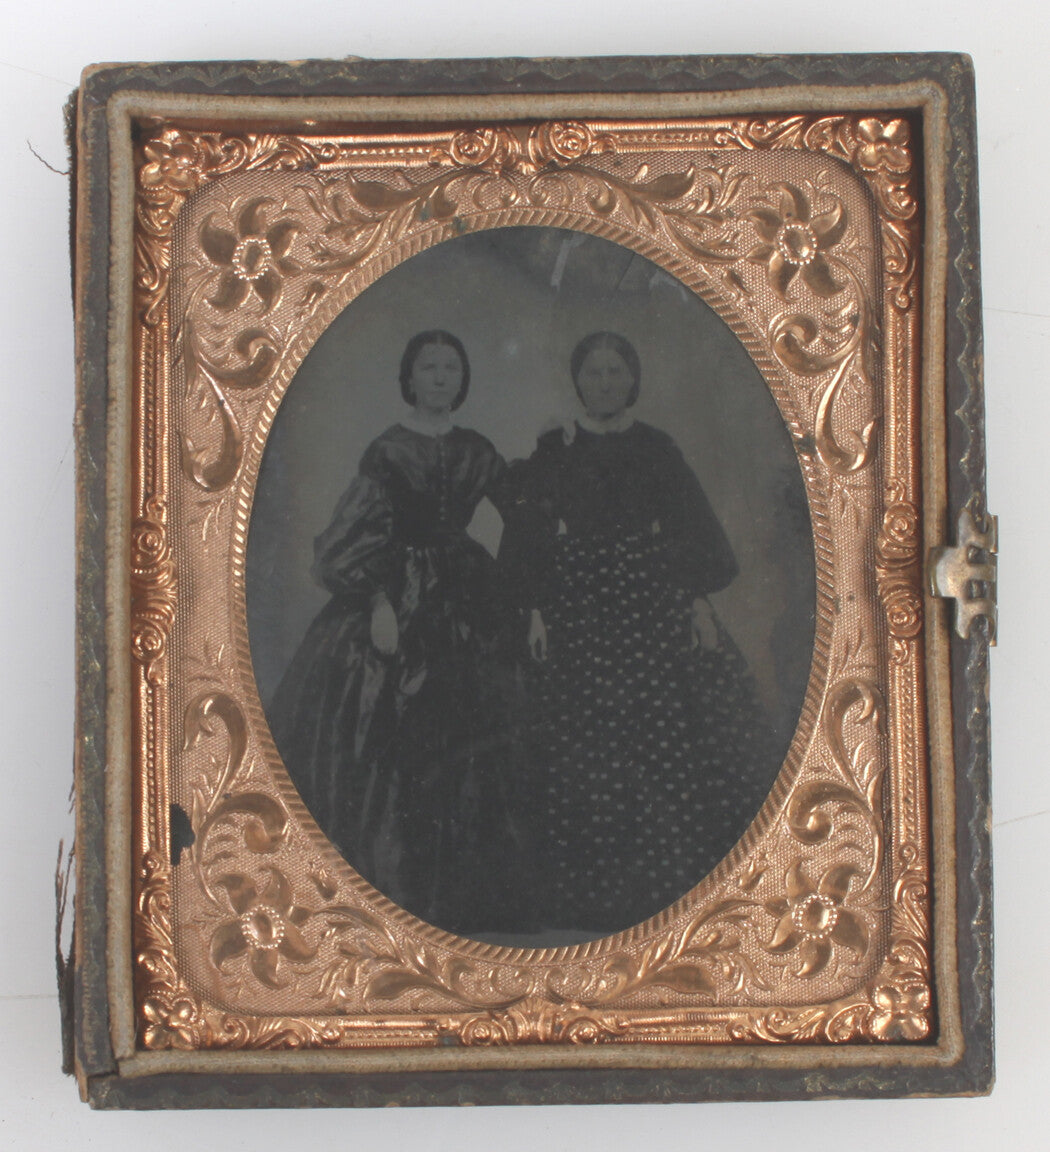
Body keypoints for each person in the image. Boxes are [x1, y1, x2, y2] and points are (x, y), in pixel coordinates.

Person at [500, 331, 777, 937]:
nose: (604, 383)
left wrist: (696, 605)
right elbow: (529, 537)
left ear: (632, 380)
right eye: (593, 373)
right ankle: (590, 901)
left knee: (660, 740)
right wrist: (537, 611)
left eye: (615, 372)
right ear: (578, 381)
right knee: (584, 748)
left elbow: (693, 532)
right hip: (576, 612)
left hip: (647, 605)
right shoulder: (555, 449)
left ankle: (659, 897)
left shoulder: (656, 448)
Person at [267, 330, 518, 935]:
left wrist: (514, 589)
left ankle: (462, 898)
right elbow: (352, 539)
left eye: (450, 368)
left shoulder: (478, 450)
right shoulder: (387, 450)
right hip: (394, 593)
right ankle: (388, 887)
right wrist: (380, 602)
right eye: (428, 367)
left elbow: (525, 513)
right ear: (410, 377)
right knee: (386, 721)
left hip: (462, 592)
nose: (440, 378)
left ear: (462, 380)